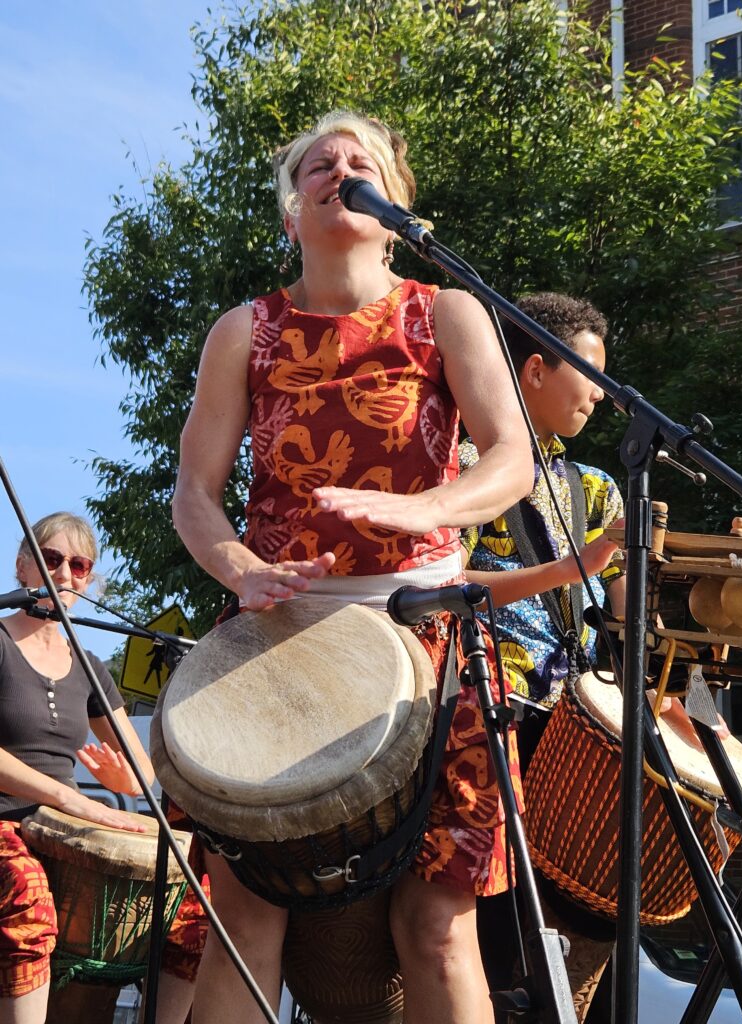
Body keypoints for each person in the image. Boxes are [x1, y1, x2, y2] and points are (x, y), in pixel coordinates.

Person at [171, 109, 534, 1024]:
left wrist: (426, 508)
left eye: (359, 164)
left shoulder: (445, 312)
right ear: (292, 212)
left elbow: (511, 460)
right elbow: (193, 492)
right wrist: (237, 568)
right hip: (275, 643)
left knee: (440, 925)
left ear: (395, 205)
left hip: (431, 635)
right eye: (318, 166)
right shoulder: (243, 331)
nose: (338, 170)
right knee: (243, 917)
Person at [460, 293, 625, 1023]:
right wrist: (570, 569)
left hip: (578, 737)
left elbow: (623, 621)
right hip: (490, 726)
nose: (600, 394)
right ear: (533, 369)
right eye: (591, 375)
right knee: (501, 950)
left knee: (588, 932)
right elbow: (441, 585)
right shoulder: (463, 465)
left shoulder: (596, 488)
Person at [0, 512, 155, 1024]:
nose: (64, 573)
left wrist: (124, 780)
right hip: (6, 824)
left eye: (79, 565)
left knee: (192, 912)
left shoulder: (88, 666)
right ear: (23, 566)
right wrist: (68, 796)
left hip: (59, 831)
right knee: (28, 896)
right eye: (50, 559)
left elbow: (141, 772)